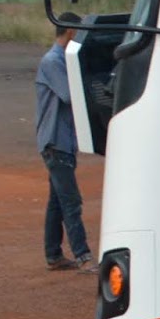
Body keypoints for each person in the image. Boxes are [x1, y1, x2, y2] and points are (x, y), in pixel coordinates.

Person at [37, 24, 93, 272]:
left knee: (58, 202)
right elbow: (70, 95)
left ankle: (53, 254)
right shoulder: (53, 61)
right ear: (70, 31)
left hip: (60, 141)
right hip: (56, 141)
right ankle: (83, 257)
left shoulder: (59, 60)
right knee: (71, 201)